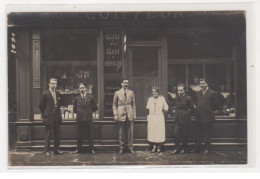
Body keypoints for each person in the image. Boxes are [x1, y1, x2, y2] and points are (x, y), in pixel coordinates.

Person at [190, 78, 219, 155]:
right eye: (200, 83)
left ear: (207, 84)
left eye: (203, 83)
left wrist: (211, 113)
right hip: (199, 116)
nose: (201, 85)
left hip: (208, 117)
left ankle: (207, 148)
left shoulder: (212, 93)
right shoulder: (198, 93)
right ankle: (197, 148)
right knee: (197, 133)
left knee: (207, 134)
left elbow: (216, 105)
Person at [39, 78, 63, 157]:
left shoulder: (58, 93)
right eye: (52, 83)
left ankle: (56, 149)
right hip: (49, 116)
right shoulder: (45, 94)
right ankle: (47, 150)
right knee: (48, 134)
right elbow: (41, 106)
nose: (54, 85)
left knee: (57, 133)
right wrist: (46, 114)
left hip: (56, 116)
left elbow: (58, 105)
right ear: (49, 84)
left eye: (55, 83)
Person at [113, 79, 136, 155]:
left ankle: (131, 148)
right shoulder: (117, 93)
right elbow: (114, 104)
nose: (126, 84)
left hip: (129, 114)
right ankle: (121, 148)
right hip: (120, 114)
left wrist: (134, 114)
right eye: (124, 83)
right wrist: (115, 114)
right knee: (121, 133)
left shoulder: (131, 92)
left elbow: (133, 103)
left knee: (130, 132)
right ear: (121, 83)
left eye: (127, 83)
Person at [73, 83, 98, 154]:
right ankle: (78, 149)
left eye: (83, 88)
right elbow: (75, 109)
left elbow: (95, 108)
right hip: (80, 118)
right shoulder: (76, 98)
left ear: (86, 89)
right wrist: (80, 112)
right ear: (79, 89)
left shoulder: (91, 97)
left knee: (90, 135)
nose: (82, 89)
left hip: (88, 118)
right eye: (80, 88)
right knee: (79, 135)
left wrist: (89, 112)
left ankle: (91, 149)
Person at [171, 83, 196, 155]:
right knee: (176, 134)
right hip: (177, 119)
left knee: (185, 134)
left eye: (181, 90)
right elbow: (175, 106)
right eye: (179, 90)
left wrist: (187, 114)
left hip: (185, 119)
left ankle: (184, 149)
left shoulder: (188, 98)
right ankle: (177, 148)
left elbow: (193, 109)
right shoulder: (176, 98)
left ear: (184, 90)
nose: (180, 92)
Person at [146, 87, 169, 154]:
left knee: (159, 132)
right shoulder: (150, 99)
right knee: (153, 132)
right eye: (153, 92)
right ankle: (154, 146)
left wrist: (161, 113)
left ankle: (159, 147)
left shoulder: (162, 99)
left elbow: (166, 108)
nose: (154, 93)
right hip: (152, 117)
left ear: (158, 92)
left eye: (156, 92)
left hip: (159, 117)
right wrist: (149, 117)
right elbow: (147, 108)